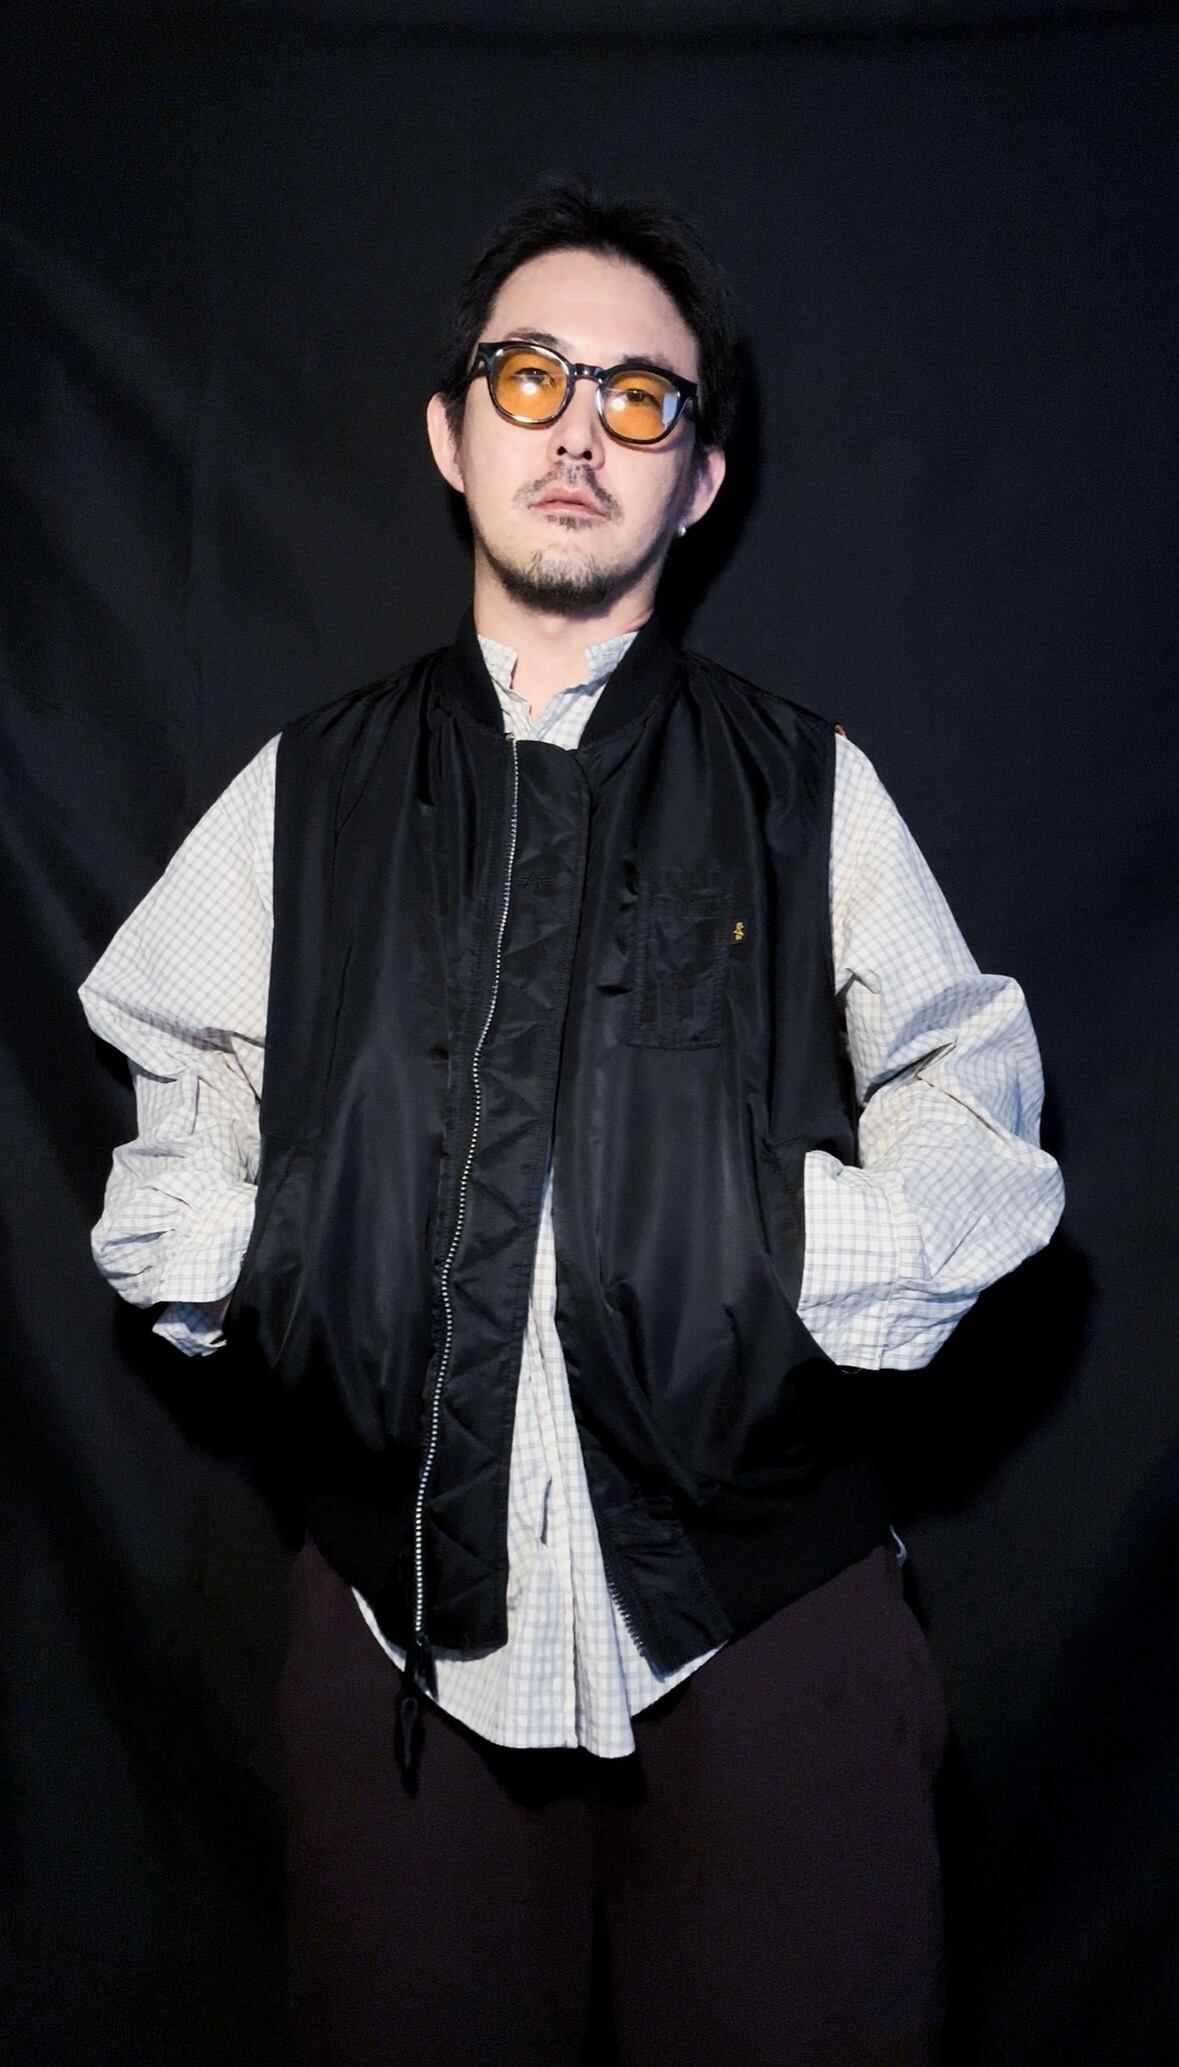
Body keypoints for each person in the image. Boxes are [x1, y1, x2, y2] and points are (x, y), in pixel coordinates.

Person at [79, 183, 1064, 2067]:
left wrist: (795, 1256)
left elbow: (973, 1095)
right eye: (530, 377)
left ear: (698, 481)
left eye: (639, 396)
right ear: (452, 434)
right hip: (402, 1639)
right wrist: (263, 1255)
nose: (579, 430)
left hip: (768, 1624)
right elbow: (168, 1057)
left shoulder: (804, 787)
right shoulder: (310, 791)